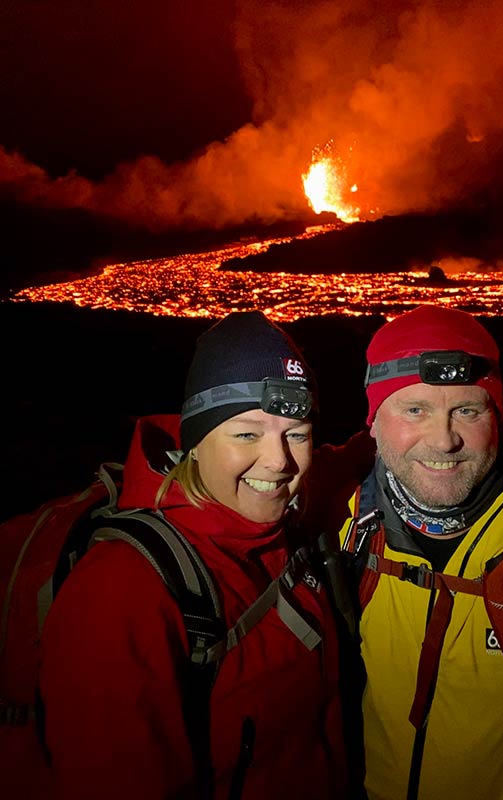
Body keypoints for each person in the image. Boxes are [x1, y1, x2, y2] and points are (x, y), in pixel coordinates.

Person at [37, 310, 371, 800]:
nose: (278, 462)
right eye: (246, 434)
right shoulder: (125, 588)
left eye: (295, 434)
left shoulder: (283, 520)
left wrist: (502, 423)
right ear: (194, 441)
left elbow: (357, 456)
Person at [336, 304, 503, 800]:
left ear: (500, 417)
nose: (445, 439)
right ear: (372, 423)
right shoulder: (345, 530)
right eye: (414, 409)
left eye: (468, 410)